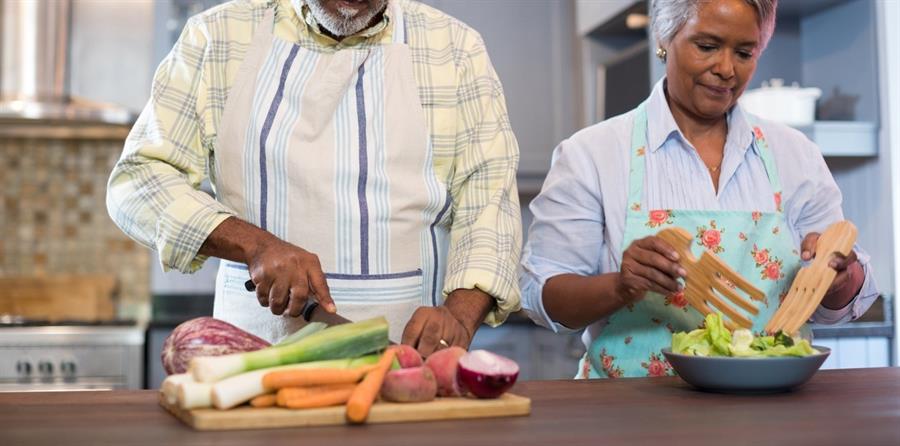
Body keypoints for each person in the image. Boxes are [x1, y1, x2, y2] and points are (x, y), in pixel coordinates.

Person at [107, 0, 521, 356]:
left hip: (408, 364)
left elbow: (489, 204)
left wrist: (459, 320)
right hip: (252, 359)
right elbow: (139, 180)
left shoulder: (456, 48)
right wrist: (255, 246)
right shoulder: (214, 38)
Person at [520, 0, 878, 378]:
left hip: (768, 410)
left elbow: (833, 304)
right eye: (707, 46)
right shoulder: (591, 155)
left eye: (744, 53)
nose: (726, 69)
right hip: (629, 412)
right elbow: (542, 298)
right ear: (665, 36)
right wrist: (621, 286)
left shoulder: (795, 156)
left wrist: (840, 276)